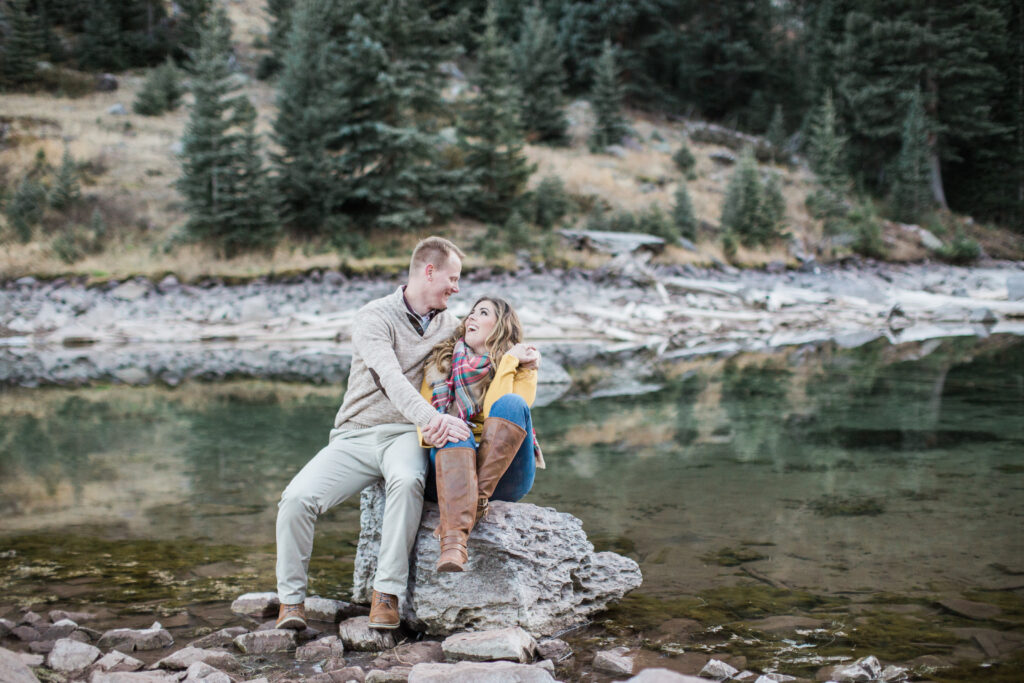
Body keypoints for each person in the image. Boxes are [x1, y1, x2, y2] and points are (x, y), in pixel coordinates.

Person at [274, 236, 474, 632]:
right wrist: (432, 420)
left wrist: (522, 356)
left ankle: (386, 594)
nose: (456, 288)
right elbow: (389, 378)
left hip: (404, 435)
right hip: (355, 434)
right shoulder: (373, 316)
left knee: (407, 479)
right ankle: (290, 602)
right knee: (296, 499)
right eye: (452, 279)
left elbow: (487, 348)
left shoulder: (452, 326)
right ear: (428, 271)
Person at [418, 296, 544, 572]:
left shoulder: (521, 365)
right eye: (471, 313)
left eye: (482, 313)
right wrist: (438, 428)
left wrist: (509, 362)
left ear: (500, 326)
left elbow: (493, 412)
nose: (471, 318)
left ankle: (471, 506)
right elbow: (423, 422)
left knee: (512, 405)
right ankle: (453, 544)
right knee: (453, 425)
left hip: (503, 476)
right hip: (449, 471)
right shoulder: (438, 363)